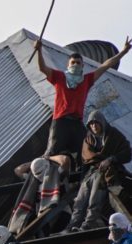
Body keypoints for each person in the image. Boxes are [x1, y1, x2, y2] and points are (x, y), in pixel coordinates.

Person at [33, 37, 131, 172]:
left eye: (78, 63)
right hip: (61, 121)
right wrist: (39, 50)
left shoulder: (86, 80)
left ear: (82, 66)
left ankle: (80, 178)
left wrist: (123, 52)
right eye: (73, 62)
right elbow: (42, 68)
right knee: (52, 152)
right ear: (68, 65)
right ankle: (37, 170)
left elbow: (106, 65)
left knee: (84, 154)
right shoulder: (59, 77)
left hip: (76, 122)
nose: (75, 65)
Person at [64, 110, 132, 232]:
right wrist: (81, 181)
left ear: (102, 123)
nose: (94, 126)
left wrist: (111, 159)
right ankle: (72, 226)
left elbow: (127, 153)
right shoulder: (88, 140)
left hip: (109, 172)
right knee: (80, 200)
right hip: (91, 172)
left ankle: (88, 224)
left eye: (96, 123)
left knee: (95, 196)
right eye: (91, 124)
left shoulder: (114, 135)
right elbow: (86, 161)